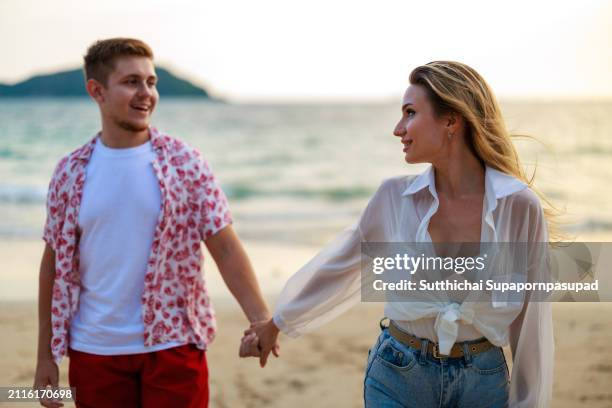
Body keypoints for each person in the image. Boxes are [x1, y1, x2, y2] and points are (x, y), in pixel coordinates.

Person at [241, 61, 556, 407]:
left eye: (409, 113)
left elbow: (531, 321)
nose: (398, 129)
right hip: (398, 373)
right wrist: (278, 322)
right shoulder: (393, 198)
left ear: (451, 120)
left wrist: (528, 402)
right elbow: (339, 267)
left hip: (482, 382)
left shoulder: (518, 206)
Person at [33, 37, 277, 408]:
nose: (146, 92)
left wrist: (261, 320)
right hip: (94, 349)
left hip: (174, 345)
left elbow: (225, 247)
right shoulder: (70, 172)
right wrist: (45, 356)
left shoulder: (185, 162)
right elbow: (53, 264)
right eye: (132, 82)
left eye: (151, 82)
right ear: (96, 91)